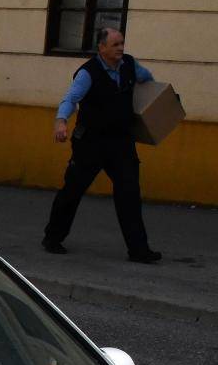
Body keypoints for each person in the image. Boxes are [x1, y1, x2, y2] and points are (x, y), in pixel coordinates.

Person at [42, 27, 161, 263]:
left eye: (122, 43)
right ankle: (53, 237)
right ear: (102, 47)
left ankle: (139, 250)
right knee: (73, 190)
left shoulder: (129, 65)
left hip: (121, 143)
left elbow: (147, 78)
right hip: (91, 143)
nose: (121, 49)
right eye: (115, 45)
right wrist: (61, 122)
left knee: (129, 193)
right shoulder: (88, 73)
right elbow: (70, 99)